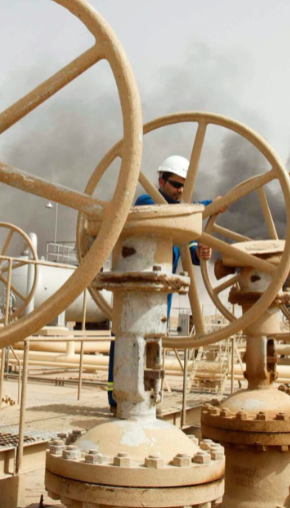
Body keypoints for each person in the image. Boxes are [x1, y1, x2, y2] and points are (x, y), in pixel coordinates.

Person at [107, 155, 216, 414]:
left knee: (153, 346)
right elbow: (170, 213)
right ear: (161, 181)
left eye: (183, 186)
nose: (180, 190)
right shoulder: (147, 202)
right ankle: (116, 399)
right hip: (134, 293)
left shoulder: (178, 220)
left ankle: (148, 398)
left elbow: (188, 247)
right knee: (125, 342)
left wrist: (201, 252)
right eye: (176, 184)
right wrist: (206, 206)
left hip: (160, 296)